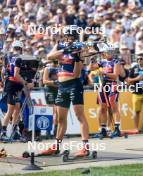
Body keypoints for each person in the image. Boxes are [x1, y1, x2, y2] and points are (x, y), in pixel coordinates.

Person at [40, 26, 90, 157]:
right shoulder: (60, 46)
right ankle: (56, 146)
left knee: (80, 116)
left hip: (74, 84)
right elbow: (49, 56)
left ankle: (85, 147)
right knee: (61, 118)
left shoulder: (79, 49)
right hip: (62, 86)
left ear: (73, 37)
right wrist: (65, 50)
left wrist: (77, 57)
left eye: (70, 37)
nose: (67, 39)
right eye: (66, 37)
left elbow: (77, 73)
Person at [89, 43, 121, 138]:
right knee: (102, 107)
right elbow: (90, 68)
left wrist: (103, 73)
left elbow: (115, 75)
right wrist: (92, 59)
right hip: (103, 85)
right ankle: (103, 129)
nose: (111, 53)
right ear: (105, 53)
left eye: (112, 52)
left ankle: (117, 128)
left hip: (113, 84)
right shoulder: (102, 62)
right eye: (109, 52)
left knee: (113, 106)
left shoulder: (116, 62)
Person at [0, 40, 29, 141]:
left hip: (12, 85)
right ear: (21, 48)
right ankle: (3, 132)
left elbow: (3, 72)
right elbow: (16, 74)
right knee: (10, 110)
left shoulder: (7, 57)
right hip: (13, 85)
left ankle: (14, 131)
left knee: (17, 108)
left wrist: (4, 81)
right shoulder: (19, 58)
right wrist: (25, 83)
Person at [42, 60, 59, 137]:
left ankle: (56, 129)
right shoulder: (47, 68)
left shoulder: (61, 67)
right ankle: (49, 130)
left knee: (57, 111)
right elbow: (44, 81)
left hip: (58, 90)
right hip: (49, 89)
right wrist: (54, 82)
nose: (55, 63)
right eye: (54, 61)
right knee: (52, 110)